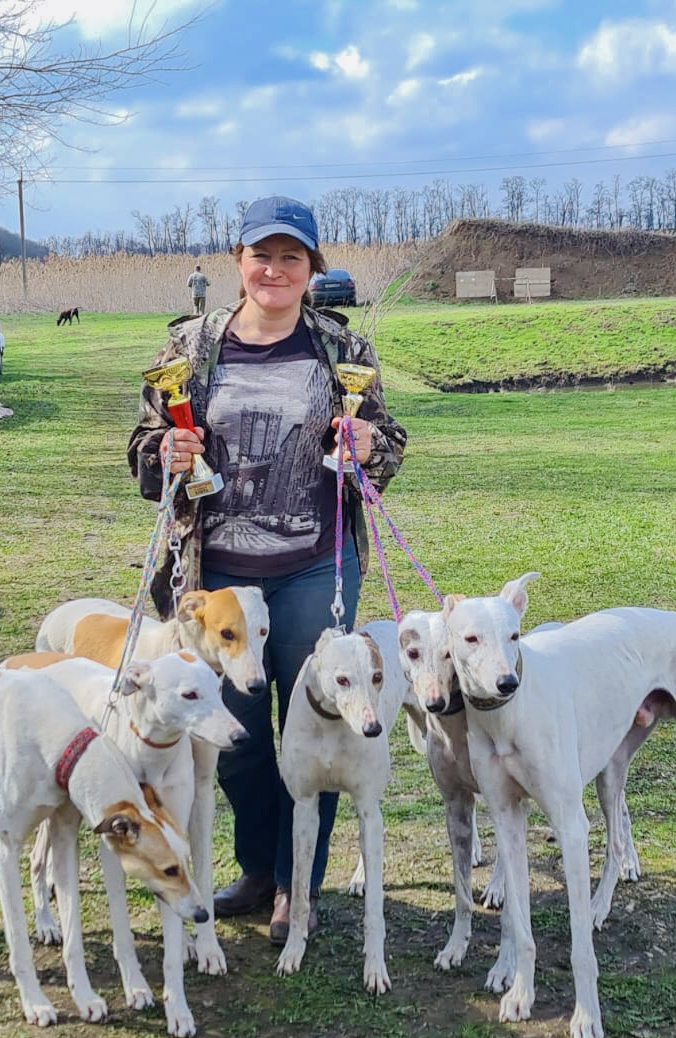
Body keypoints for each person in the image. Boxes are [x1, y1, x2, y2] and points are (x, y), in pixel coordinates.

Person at [129, 196, 407, 944]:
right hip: (218, 577)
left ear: (312, 267)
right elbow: (143, 446)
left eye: (292, 257)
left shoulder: (340, 351)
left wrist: (366, 445)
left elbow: (391, 441)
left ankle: (296, 884)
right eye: (262, 255)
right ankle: (257, 869)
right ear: (238, 262)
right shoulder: (192, 346)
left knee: (315, 731)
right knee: (239, 739)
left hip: (317, 566)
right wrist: (165, 454)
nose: (274, 270)